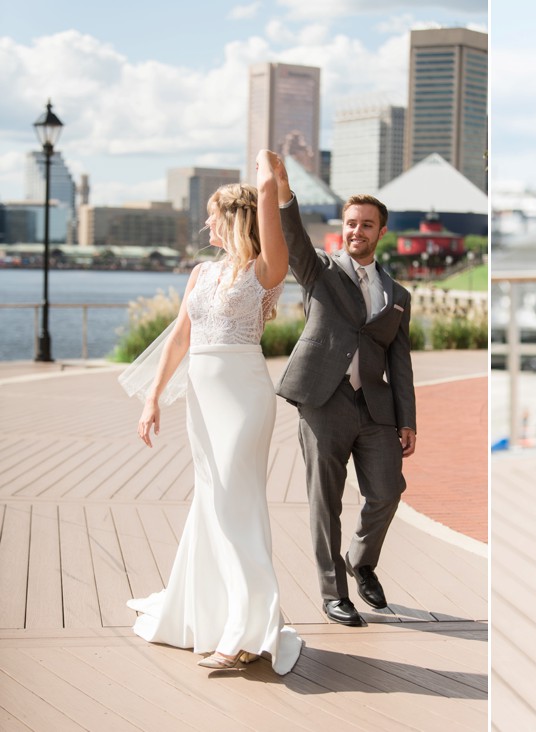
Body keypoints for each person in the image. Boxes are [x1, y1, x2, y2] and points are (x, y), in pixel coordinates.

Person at [121, 151, 302, 674]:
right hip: (200, 402)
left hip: (244, 398)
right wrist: (153, 396)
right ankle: (211, 614)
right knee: (212, 500)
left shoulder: (267, 268)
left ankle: (248, 631)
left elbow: (268, 202)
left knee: (234, 506)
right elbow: (181, 335)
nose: (205, 223)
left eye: (211, 214)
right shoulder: (201, 273)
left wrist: (271, 178)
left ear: (234, 217)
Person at [272, 164, 416, 628]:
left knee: (388, 491)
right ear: (343, 228)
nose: (356, 230)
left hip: (375, 407)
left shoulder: (397, 293)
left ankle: (361, 560)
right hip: (323, 399)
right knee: (325, 501)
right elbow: (292, 240)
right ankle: (334, 593)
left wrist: (407, 419)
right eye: (350, 223)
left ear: (381, 232)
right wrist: (284, 194)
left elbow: (400, 361)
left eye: (366, 224)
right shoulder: (320, 270)